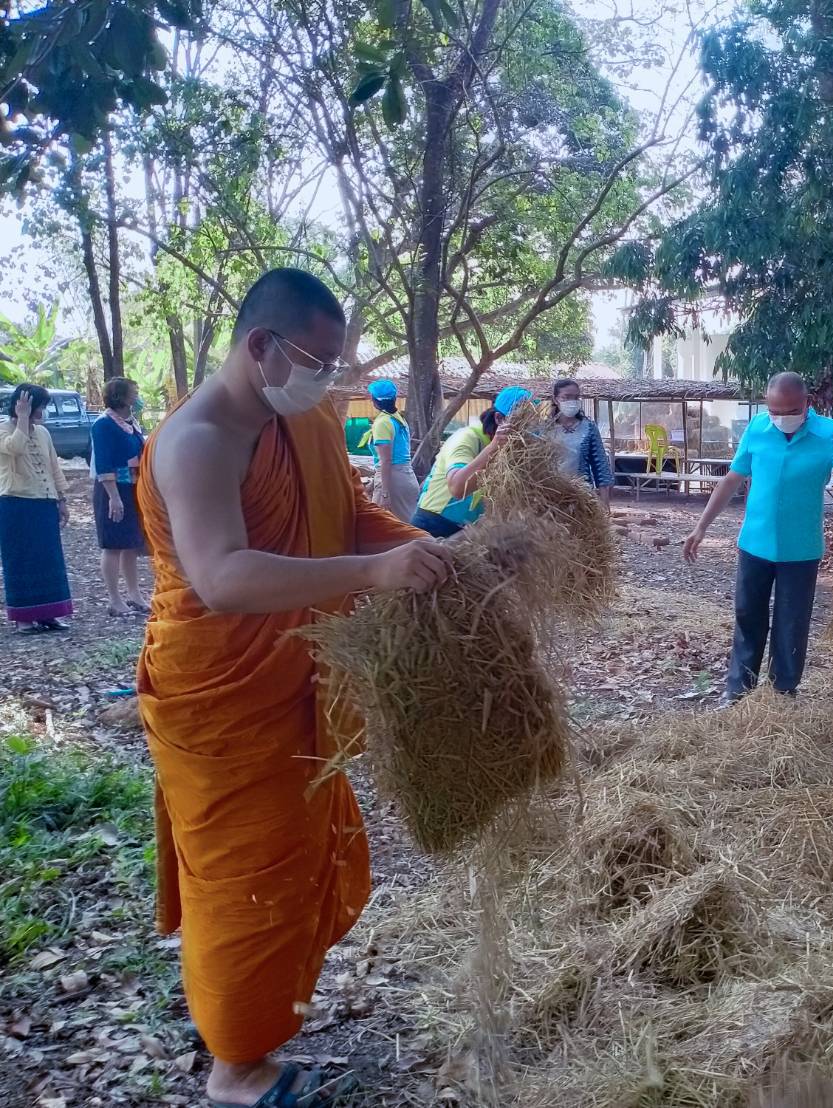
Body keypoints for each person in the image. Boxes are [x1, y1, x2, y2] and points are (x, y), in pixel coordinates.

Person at [136, 268, 454, 1107]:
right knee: (241, 880)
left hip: (301, 677)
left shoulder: (306, 419)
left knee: (298, 858)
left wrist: (423, 554)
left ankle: (264, 1033)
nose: (326, 376)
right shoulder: (196, 439)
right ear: (260, 347)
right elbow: (223, 578)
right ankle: (236, 1071)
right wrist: (371, 572)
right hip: (220, 693)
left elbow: (350, 520)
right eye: (317, 359)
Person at [682, 372, 833, 703]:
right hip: (755, 544)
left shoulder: (831, 433)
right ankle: (737, 691)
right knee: (748, 617)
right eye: (774, 410)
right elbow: (732, 479)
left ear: (806, 404)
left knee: (792, 624)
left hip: (800, 550)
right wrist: (701, 527)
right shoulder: (757, 428)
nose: (782, 418)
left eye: (789, 410)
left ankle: (782, 694)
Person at [410, 386, 531, 538]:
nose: (526, 432)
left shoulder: (512, 451)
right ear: (499, 419)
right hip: (434, 524)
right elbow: (458, 487)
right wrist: (494, 447)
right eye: (522, 425)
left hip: (467, 531)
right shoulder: (467, 438)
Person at [0, 383, 73, 633]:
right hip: (16, 504)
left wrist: (61, 500)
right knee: (22, 561)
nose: (43, 410)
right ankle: (23, 618)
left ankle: (49, 614)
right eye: (40, 405)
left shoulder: (43, 433)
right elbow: (15, 448)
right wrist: (21, 418)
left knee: (49, 561)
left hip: (44, 503)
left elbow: (54, 467)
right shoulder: (3, 430)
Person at [92, 376, 150, 616]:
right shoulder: (103, 425)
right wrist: (114, 497)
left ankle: (134, 594)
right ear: (120, 397)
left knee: (131, 545)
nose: (137, 397)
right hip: (113, 490)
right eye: (133, 393)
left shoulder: (131, 424)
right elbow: (104, 463)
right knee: (113, 544)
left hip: (132, 488)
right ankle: (114, 599)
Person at [549, 378, 614, 507]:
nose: (571, 402)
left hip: (581, 497)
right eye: (566, 397)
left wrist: (605, 503)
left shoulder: (588, 428)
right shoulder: (544, 429)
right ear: (556, 399)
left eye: (576, 397)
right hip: (551, 497)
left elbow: (600, 466)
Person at [365, 378, 419, 522]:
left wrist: (385, 492)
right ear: (394, 398)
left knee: (380, 527)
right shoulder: (398, 420)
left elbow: (386, 461)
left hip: (392, 481)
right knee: (407, 528)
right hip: (406, 478)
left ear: (374, 401)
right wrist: (372, 483)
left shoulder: (382, 423)